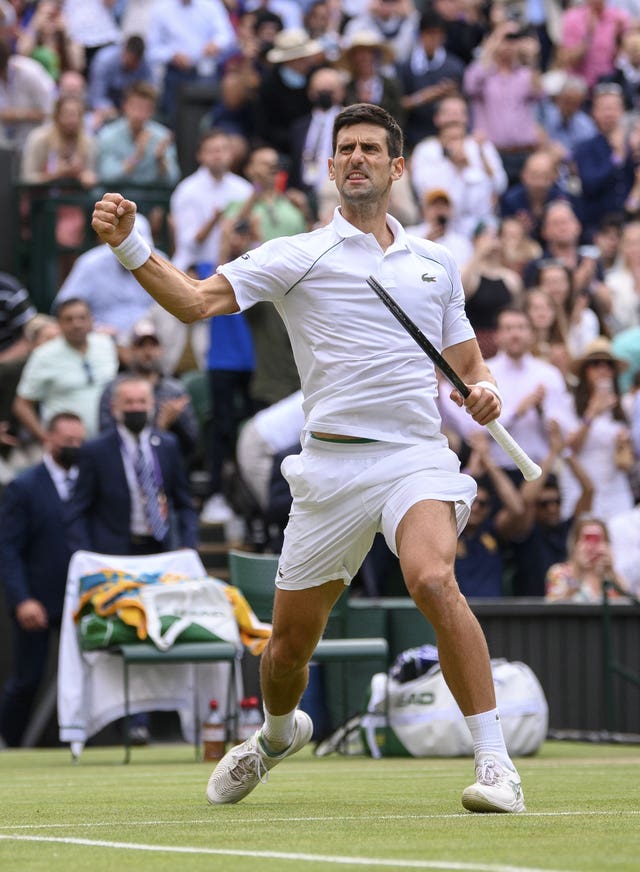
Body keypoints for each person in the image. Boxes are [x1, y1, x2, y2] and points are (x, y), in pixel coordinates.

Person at [92, 102, 526, 813]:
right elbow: (197, 302)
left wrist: (483, 391)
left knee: (432, 580)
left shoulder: (436, 264)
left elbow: (469, 362)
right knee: (287, 652)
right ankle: (273, 736)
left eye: (370, 149)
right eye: (345, 148)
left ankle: (495, 764)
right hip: (327, 471)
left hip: (415, 457)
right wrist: (130, 247)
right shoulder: (294, 254)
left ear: (396, 166)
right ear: (329, 168)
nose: (357, 158)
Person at [0, 411, 85, 747]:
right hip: (37, 599)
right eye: (68, 442)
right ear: (49, 440)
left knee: (87, 678)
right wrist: (22, 599)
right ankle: (7, 741)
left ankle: (83, 744)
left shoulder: (88, 481)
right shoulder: (25, 486)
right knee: (27, 679)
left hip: (81, 601)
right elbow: (8, 549)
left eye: (79, 441)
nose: (75, 447)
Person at [67, 375, 198, 556]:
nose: (136, 408)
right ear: (114, 408)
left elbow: (184, 503)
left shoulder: (168, 445)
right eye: (128, 402)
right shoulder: (96, 450)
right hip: (112, 553)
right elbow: (78, 510)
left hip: (160, 549)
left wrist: (188, 544)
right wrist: (85, 554)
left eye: (142, 401)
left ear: (152, 404)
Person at [13, 297, 118, 442]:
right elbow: (22, 405)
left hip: (107, 442)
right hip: (67, 447)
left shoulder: (106, 344)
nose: (76, 324)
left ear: (91, 320)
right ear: (59, 324)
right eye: (69, 319)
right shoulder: (44, 355)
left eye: (82, 318)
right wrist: (46, 438)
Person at [98, 319, 199, 462]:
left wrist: (176, 421)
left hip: (166, 464)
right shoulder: (114, 388)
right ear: (131, 350)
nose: (148, 352)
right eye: (141, 346)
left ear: (161, 349)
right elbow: (106, 435)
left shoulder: (175, 390)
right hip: (122, 463)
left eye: (153, 345)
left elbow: (191, 443)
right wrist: (160, 427)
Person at [545, 516, 627, 603]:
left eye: (597, 539)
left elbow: (630, 604)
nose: (592, 546)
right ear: (575, 544)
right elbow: (554, 608)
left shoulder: (610, 576)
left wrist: (611, 571)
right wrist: (578, 572)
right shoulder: (559, 573)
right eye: (587, 538)